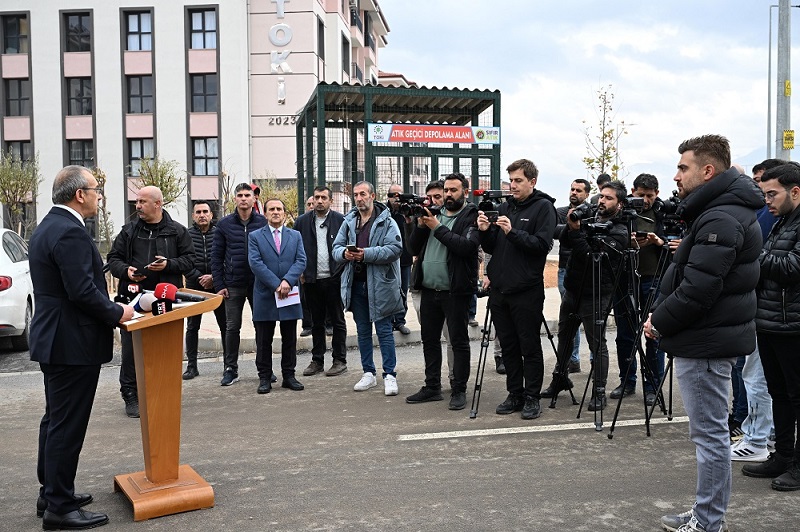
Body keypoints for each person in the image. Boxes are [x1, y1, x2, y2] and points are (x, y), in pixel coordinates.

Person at [647, 135, 762, 532]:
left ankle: (709, 522)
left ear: (707, 170)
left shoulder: (720, 217)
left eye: (683, 167)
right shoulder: (719, 211)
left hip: (708, 341)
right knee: (708, 435)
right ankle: (705, 512)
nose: (676, 176)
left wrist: (658, 320)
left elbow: (697, 289)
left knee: (711, 438)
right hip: (708, 338)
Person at [30, 166, 134, 530]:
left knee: (55, 420)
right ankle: (59, 506)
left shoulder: (47, 226)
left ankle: (52, 492)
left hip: (55, 338)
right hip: (71, 342)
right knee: (66, 425)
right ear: (79, 194)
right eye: (96, 189)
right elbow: (83, 292)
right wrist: (119, 311)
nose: (99, 196)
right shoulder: (70, 231)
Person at [476, 158, 556, 420]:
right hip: (500, 290)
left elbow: (541, 245)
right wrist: (485, 232)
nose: (513, 185)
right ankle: (515, 393)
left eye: (518, 180)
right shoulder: (504, 207)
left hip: (527, 290)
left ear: (532, 181)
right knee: (508, 346)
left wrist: (513, 233)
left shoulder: (544, 208)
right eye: (510, 180)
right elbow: (492, 248)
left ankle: (532, 397)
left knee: (529, 346)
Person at [106, 186, 194, 417]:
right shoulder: (128, 231)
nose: (137, 206)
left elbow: (189, 260)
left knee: (164, 348)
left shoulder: (177, 231)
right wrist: (127, 271)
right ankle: (130, 394)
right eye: (137, 202)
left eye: (142, 202)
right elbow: (113, 259)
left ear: (158, 204)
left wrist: (168, 265)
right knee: (131, 351)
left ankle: (161, 392)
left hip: (166, 300)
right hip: (132, 300)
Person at [541, 180, 629, 412]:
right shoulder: (590, 219)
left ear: (620, 204)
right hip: (573, 290)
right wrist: (572, 227)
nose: (602, 201)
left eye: (609, 198)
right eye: (601, 196)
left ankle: (599, 392)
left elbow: (592, 257)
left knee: (596, 344)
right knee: (564, 337)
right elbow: (566, 239)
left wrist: (577, 232)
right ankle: (560, 378)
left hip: (597, 294)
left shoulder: (620, 231)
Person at [740, 162, 800, 490]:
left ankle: (798, 465)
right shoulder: (782, 221)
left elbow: (792, 267)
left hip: (793, 326)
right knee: (779, 394)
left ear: (795, 191)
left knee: (796, 396)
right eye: (765, 195)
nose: (768, 201)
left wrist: (754, 255)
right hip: (771, 323)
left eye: (772, 194)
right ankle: (783, 456)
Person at [405, 173, 478, 411]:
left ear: (465, 192)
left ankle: (459, 389)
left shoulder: (471, 216)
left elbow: (466, 247)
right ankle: (432, 387)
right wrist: (419, 227)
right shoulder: (433, 214)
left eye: (453, 190)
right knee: (429, 341)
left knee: (458, 341)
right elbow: (413, 248)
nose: (448, 195)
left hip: (455, 291)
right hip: (429, 289)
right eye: (446, 190)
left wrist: (436, 228)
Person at [730, 159, 784, 462]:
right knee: (758, 376)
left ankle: (757, 439)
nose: (763, 196)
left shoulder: (773, 218)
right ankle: (764, 435)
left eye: (768, 189)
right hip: (765, 310)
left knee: (756, 377)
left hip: (771, 312)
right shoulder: (770, 215)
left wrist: (749, 256)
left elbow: (780, 264)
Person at [332, 180, 404, 396]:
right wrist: (345, 254)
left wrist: (366, 254)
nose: (359, 198)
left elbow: (395, 249)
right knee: (363, 331)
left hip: (380, 285)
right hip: (356, 284)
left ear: (373, 196)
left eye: (363, 194)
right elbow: (335, 248)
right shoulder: (349, 221)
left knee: (384, 331)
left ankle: (390, 375)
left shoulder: (387, 221)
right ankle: (368, 373)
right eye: (356, 194)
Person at [610, 173, 667, 406]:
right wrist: (627, 241)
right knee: (625, 334)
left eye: (650, 196)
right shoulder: (622, 213)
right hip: (624, 279)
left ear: (657, 194)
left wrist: (657, 241)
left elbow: (677, 244)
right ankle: (627, 381)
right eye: (641, 195)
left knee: (653, 334)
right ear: (632, 191)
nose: (645, 200)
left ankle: (653, 386)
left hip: (653, 278)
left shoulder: (663, 213)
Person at [212, 183, 268, 386]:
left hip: (258, 284)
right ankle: (230, 369)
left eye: (247, 195)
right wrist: (219, 284)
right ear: (234, 199)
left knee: (261, 326)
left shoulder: (263, 222)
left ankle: (265, 369)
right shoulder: (224, 224)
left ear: (254, 199)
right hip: (233, 284)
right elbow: (216, 257)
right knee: (232, 327)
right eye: (240, 195)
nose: (243, 198)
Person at [248, 199, 307, 394]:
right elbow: (255, 263)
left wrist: (287, 282)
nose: (275, 212)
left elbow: (301, 260)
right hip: (265, 294)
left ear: (284, 213)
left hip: (289, 293)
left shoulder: (295, 235)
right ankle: (264, 377)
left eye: (279, 209)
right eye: (271, 209)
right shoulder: (255, 236)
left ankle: (289, 376)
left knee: (289, 337)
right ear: (265, 214)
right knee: (264, 338)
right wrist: (276, 284)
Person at [294, 186, 348, 377]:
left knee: (337, 320)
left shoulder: (340, 220)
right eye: (316, 197)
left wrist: (342, 272)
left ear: (330, 201)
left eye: (324, 197)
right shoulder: (301, 222)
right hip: (311, 280)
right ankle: (317, 360)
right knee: (316, 322)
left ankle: (339, 360)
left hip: (334, 278)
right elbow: (295, 247)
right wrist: (300, 272)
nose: (319, 201)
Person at [183, 201, 227, 380]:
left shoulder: (220, 233)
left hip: (218, 286)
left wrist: (214, 278)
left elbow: (227, 257)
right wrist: (198, 277)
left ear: (211, 215)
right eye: (198, 212)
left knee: (225, 325)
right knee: (193, 326)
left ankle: (229, 364)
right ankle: (192, 366)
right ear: (193, 215)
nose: (202, 215)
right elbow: (182, 260)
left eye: (205, 212)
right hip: (194, 286)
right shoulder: (186, 235)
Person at [554, 179, 591, 374]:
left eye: (579, 190)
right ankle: (573, 360)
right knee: (569, 316)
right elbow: (555, 232)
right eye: (572, 189)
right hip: (564, 269)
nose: (574, 193)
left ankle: (593, 361)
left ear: (586, 194)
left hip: (586, 269)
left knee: (590, 317)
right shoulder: (561, 212)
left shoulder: (592, 212)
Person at [387, 183, 413, 335]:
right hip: (388, 259)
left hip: (405, 258)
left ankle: (400, 321)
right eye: (392, 196)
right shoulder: (383, 212)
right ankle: (389, 321)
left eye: (399, 196)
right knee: (390, 291)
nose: (395, 199)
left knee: (403, 290)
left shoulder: (407, 212)